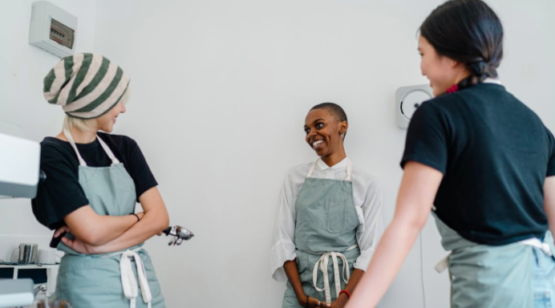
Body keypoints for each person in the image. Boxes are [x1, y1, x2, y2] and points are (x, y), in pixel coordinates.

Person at [345, 1, 555, 307]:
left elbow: (408, 222)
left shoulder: (437, 115)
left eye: (423, 54)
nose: (421, 68)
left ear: (452, 56)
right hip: (545, 284)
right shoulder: (534, 123)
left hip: (492, 288)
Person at [31, 53, 169, 308]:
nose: (123, 108)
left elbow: (160, 218)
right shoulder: (53, 152)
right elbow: (91, 231)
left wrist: (97, 247)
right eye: (117, 101)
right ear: (94, 103)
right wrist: (140, 218)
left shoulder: (125, 147)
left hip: (143, 285)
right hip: (88, 289)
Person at [271, 103, 383, 308]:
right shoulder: (294, 178)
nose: (311, 134)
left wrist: (344, 298)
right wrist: (301, 297)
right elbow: (282, 240)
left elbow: (371, 248)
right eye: (307, 130)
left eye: (319, 125)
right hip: (301, 288)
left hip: (351, 289)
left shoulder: (365, 182)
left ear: (342, 127)